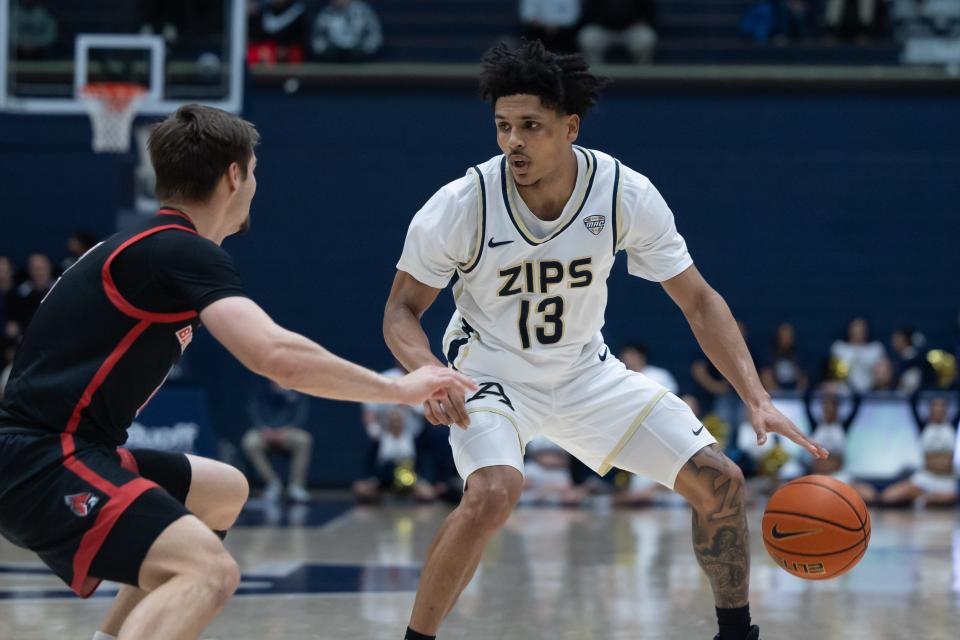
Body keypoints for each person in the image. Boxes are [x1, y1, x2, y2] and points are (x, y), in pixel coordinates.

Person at [383, 40, 826, 640]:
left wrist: (757, 397)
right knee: (493, 492)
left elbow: (698, 301)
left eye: (530, 127)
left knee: (721, 482)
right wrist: (429, 371)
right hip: (488, 374)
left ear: (570, 127)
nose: (512, 141)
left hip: (585, 373)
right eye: (502, 126)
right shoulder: (462, 205)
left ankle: (736, 634)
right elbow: (401, 312)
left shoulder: (623, 192)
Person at [0, 104, 475, 640]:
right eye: (254, 171)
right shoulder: (180, 251)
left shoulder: (150, 246)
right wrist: (397, 389)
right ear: (234, 175)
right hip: (43, 462)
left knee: (221, 490)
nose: (255, 184)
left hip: (63, 450)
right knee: (209, 571)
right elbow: (274, 355)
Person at [241, 379, 314, 503]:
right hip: (264, 432)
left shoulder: (296, 389)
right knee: (250, 441)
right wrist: (263, 428)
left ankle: (296, 486)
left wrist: (285, 430)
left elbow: (299, 414)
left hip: (287, 432)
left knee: (304, 440)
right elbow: (254, 411)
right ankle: (272, 483)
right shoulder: (261, 388)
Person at [880, 394, 959, 507]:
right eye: (935, 408)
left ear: (946, 411)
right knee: (888, 497)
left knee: (951, 498)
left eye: (941, 408)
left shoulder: (952, 427)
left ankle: (924, 499)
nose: (938, 411)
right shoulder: (923, 426)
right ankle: (921, 498)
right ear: (930, 410)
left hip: (946, 481)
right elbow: (912, 401)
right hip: (925, 478)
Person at [578, 0, 659, 64]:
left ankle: (642, 76)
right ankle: (595, 75)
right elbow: (588, 12)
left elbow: (650, 10)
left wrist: (646, 21)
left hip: (631, 30)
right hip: (603, 30)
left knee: (646, 38)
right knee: (587, 37)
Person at [311, 0, 383, 61]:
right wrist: (324, 50)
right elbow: (318, 37)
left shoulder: (364, 11)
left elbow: (374, 34)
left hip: (359, 53)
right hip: (333, 54)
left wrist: (366, 49)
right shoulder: (326, 13)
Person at [829, 317, 885, 393]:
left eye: (861, 329)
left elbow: (882, 373)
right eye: (855, 329)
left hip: (872, 392)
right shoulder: (839, 348)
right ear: (849, 330)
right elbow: (837, 375)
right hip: (844, 393)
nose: (858, 332)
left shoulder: (876, 348)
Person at [759, 322, 808, 393]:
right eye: (784, 336)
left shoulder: (798, 354)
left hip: (795, 395)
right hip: (776, 395)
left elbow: (804, 377)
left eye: (789, 336)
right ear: (778, 336)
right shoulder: (770, 354)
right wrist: (778, 394)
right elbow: (765, 375)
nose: (787, 339)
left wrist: (797, 393)